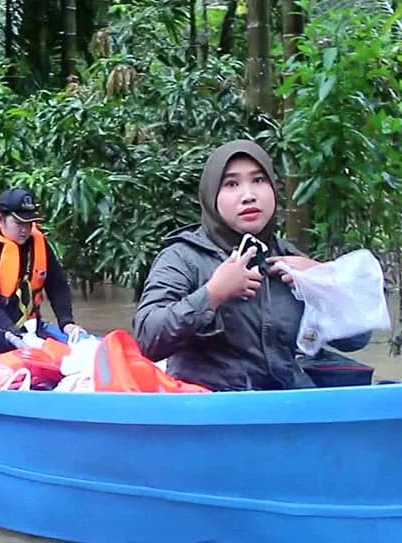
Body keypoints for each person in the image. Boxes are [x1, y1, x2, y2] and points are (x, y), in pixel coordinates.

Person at [133, 139, 372, 391]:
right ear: (211, 195)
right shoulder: (183, 258)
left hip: (286, 406)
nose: (249, 196)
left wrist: (323, 281)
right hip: (211, 410)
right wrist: (213, 294)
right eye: (231, 184)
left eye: (258, 180)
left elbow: (356, 340)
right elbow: (148, 340)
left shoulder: (288, 258)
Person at [0, 188, 78, 355]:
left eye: (29, 224)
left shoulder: (39, 244)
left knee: (61, 353)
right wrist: (14, 336)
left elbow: (58, 286)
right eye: (19, 223)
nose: (25, 230)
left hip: (27, 326)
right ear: (0, 220)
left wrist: (67, 322)